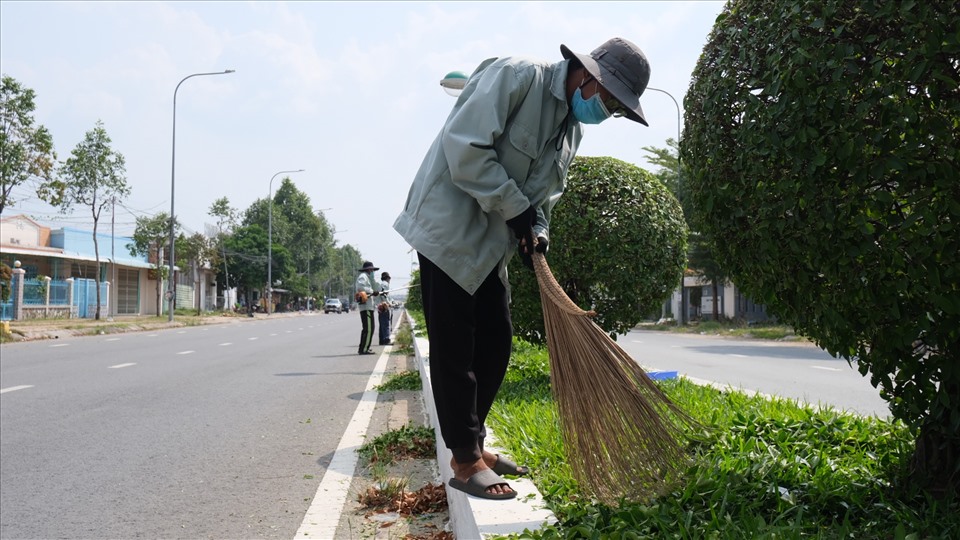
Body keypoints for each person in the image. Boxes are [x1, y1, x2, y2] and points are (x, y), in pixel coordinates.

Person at [393, 37, 651, 500]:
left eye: (616, 108)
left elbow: (544, 198)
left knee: (496, 341)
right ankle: (467, 460)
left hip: (492, 245)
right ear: (588, 76)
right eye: (610, 100)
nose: (608, 111)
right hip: (447, 229)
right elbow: (465, 148)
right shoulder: (516, 76)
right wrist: (516, 210)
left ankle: (475, 442)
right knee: (457, 347)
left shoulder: (571, 131)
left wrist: (539, 227)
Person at [355, 261, 381, 355]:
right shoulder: (363, 276)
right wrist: (371, 291)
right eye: (372, 270)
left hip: (368, 306)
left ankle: (365, 346)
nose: (373, 272)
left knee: (369, 328)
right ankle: (363, 349)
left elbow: (371, 289)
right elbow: (360, 287)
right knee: (369, 329)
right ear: (369, 269)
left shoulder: (368, 278)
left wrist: (375, 291)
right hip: (366, 307)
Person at [378, 271, 393, 345]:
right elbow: (384, 295)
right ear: (387, 278)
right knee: (386, 323)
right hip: (384, 306)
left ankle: (381, 340)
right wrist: (388, 303)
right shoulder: (385, 284)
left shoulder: (380, 284)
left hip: (380, 306)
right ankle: (386, 339)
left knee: (382, 324)